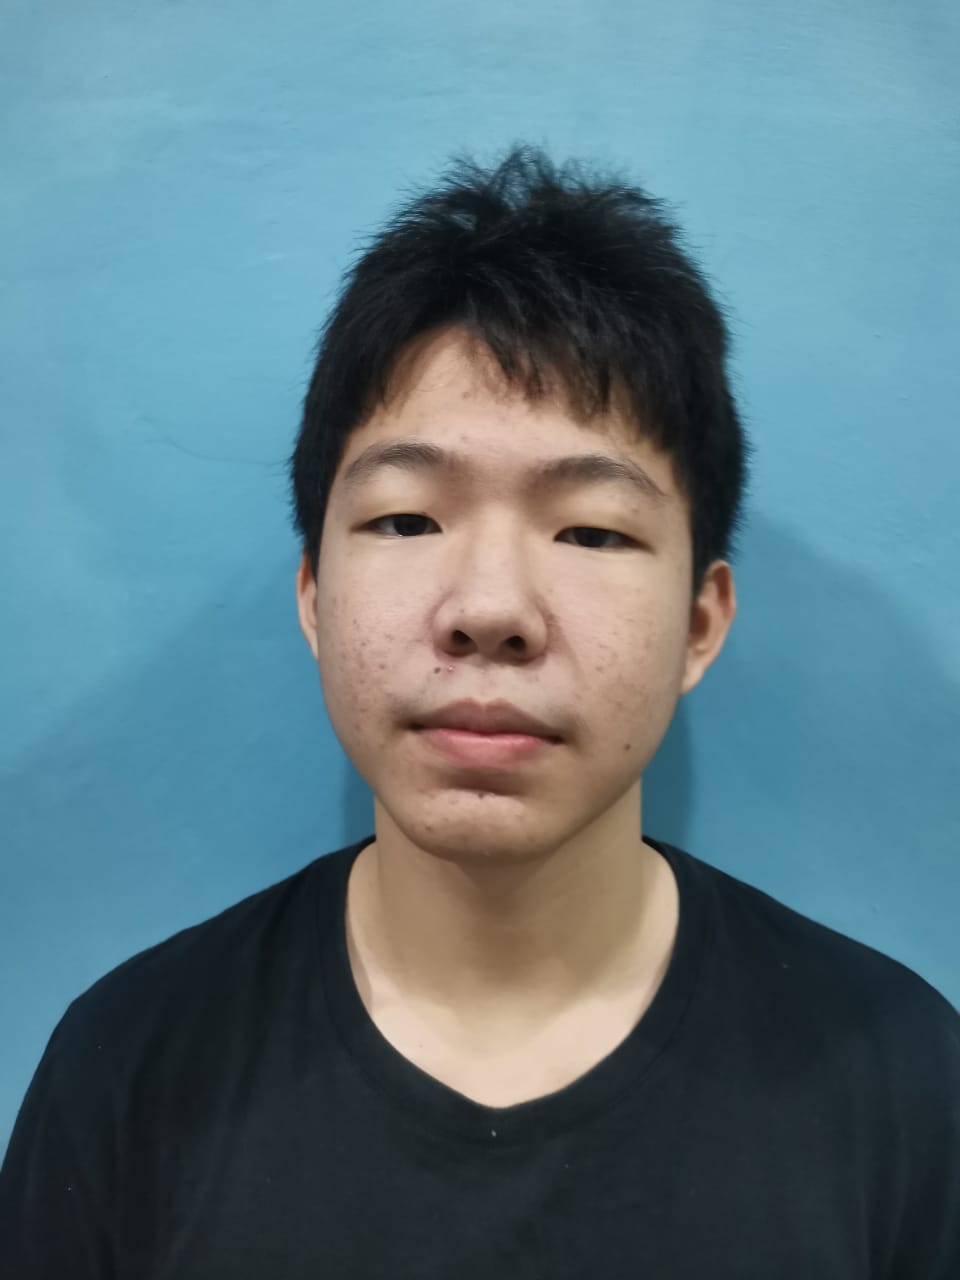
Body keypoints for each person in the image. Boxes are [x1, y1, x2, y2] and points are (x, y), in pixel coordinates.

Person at [1, 143, 957, 1278]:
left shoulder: (904, 1082)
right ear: (314, 596)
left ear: (701, 623)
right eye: (407, 519)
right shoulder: (129, 1068)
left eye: (592, 530)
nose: (490, 608)